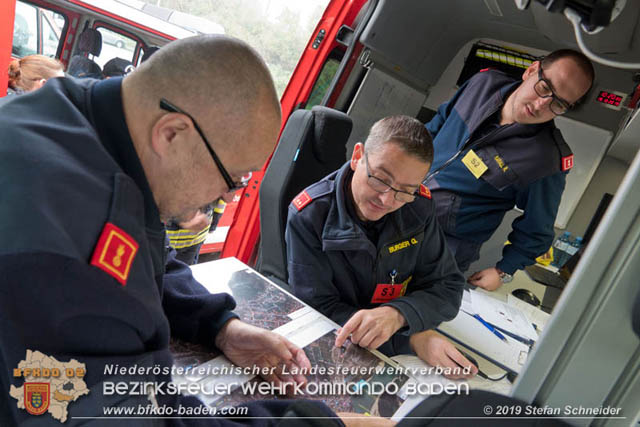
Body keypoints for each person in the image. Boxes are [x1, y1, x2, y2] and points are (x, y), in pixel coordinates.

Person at [0, 35, 379, 426]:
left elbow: (142, 252)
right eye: (232, 178)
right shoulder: (64, 242)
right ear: (172, 134)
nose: (228, 197)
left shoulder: (84, 116)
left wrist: (220, 326)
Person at [285, 116, 476, 379]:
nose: (387, 200)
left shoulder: (418, 206)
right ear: (357, 157)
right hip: (346, 348)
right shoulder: (309, 216)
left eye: (405, 190)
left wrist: (399, 314)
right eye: (381, 179)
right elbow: (319, 311)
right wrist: (411, 339)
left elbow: (448, 285)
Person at [424, 49, 594, 291]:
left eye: (558, 104)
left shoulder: (546, 159)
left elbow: (538, 230)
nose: (540, 105)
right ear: (531, 70)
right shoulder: (482, 84)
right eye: (545, 88)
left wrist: (503, 271)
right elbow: (433, 128)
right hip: (399, 207)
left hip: (442, 248)